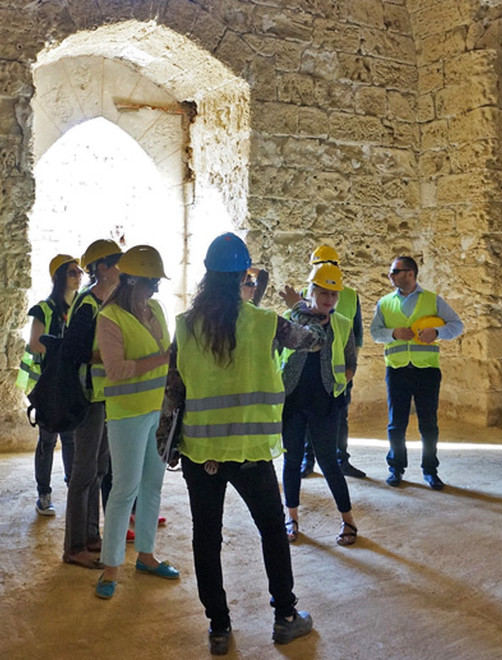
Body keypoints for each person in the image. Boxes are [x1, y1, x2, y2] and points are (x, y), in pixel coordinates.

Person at [163, 232, 325, 655]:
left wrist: (169, 445)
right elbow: (314, 339)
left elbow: (173, 393)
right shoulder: (265, 322)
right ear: (243, 275)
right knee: (272, 530)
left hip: (203, 453)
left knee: (206, 538)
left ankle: (218, 628)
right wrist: (303, 309)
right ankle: (285, 617)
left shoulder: (184, 326)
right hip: (251, 452)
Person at [93, 246, 179, 599]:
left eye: (157, 283)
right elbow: (116, 370)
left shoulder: (156, 309)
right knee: (124, 488)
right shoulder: (109, 317)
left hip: (155, 409)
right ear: (130, 281)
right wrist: (161, 358)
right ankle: (110, 567)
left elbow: (169, 354)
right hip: (127, 413)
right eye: (150, 283)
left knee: (153, 484)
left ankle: (146, 554)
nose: (155, 290)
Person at [279, 263, 360, 546]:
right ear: (310, 291)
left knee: (328, 461)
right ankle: (291, 517)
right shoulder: (290, 319)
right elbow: (278, 353)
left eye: (333, 294)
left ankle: (348, 520)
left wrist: (340, 382)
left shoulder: (342, 324)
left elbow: (351, 363)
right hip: (292, 401)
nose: (328, 299)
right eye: (323, 292)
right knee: (291, 461)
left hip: (326, 403)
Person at [369, 255, 464, 489]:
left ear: (410, 273)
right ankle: (396, 469)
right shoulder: (384, 303)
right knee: (396, 424)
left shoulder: (433, 300)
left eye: (395, 271)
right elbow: (374, 332)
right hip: (397, 370)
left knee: (428, 424)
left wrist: (437, 333)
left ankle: (430, 471)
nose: (390, 275)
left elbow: (457, 325)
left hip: (427, 371)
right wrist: (392, 334)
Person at [59, 239, 121, 570]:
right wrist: (105, 355)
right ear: (101, 268)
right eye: (116, 263)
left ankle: (91, 535)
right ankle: (74, 546)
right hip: (88, 397)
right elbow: (71, 352)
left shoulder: (106, 302)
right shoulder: (87, 305)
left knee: (98, 469)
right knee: (84, 471)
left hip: (103, 395)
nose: (121, 270)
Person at [15, 254, 81, 516]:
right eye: (72, 273)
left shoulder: (82, 304)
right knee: (47, 438)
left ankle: (73, 487)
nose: (78, 277)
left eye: (79, 273)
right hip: (49, 381)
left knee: (71, 437)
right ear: (59, 277)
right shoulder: (44, 308)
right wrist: (65, 347)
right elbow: (35, 343)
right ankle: (44, 493)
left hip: (72, 380)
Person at [299, 245, 366, 479]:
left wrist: (350, 368)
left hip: (339, 372)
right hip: (310, 370)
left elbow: (355, 333)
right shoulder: (304, 293)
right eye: (317, 265)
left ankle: (341, 459)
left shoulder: (349, 295)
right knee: (308, 417)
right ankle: (308, 460)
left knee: (340, 417)